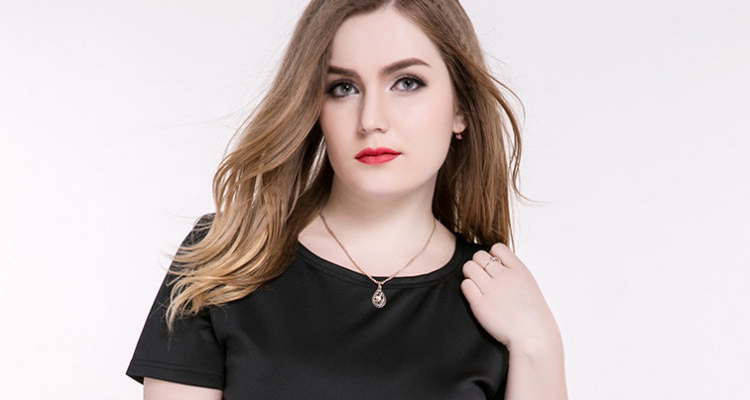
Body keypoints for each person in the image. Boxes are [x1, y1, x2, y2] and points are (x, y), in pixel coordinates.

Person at [126, 0, 568, 399]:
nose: (371, 119)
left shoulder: (498, 295)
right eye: (343, 88)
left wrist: (539, 346)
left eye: (407, 82)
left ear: (461, 109)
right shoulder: (225, 255)